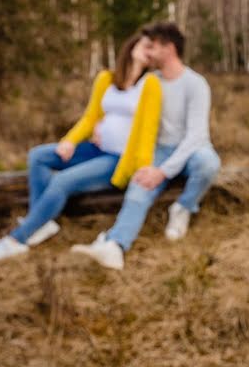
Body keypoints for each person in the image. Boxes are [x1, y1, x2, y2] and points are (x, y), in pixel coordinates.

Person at [0, 33, 162, 263]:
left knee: (62, 181)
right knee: (39, 156)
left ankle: (16, 240)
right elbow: (90, 116)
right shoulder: (106, 78)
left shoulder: (150, 84)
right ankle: (42, 223)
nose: (150, 50)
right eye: (147, 45)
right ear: (132, 45)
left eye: (154, 49)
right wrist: (69, 141)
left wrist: (142, 167)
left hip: (118, 159)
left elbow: (148, 130)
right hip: (95, 149)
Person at [70, 21, 221, 270]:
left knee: (209, 163)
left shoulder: (196, 84)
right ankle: (115, 245)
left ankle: (183, 208)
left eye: (152, 47)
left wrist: (162, 171)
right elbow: (122, 107)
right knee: (139, 186)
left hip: (192, 150)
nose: (147, 52)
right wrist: (101, 126)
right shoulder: (150, 82)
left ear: (169, 48)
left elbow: (195, 136)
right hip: (158, 149)